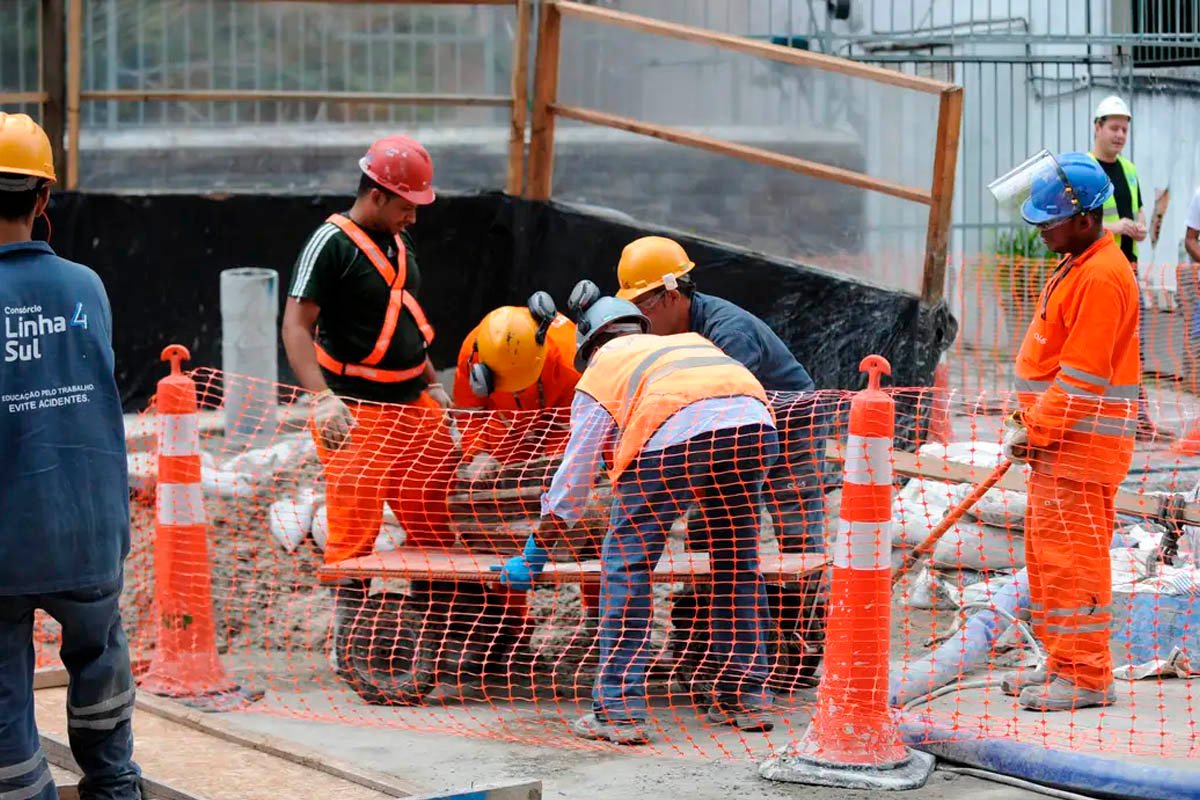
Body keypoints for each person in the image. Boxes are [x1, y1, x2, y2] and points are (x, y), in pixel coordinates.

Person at [492, 280, 780, 744]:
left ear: (592, 344)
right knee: (737, 564)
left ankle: (618, 710)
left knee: (627, 567)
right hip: (753, 428)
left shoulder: (603, 370)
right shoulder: (686, 343)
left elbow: (573, 480)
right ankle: (743, 697)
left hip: (673, 438)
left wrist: (533, 552)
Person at [281, 134, 458, 681]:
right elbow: (295, 325)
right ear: (377, 195)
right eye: (407, 206)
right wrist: (323, 399)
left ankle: (443, 639)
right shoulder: (330, 243)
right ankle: (351, 643)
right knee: (355, 532)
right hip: (356, 408)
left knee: (434, 518)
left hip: (411, 402)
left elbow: (401, 318)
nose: (413, 217)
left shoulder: (398, 244)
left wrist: (432, 382)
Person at [0, 113, 141, 799]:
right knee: (99, 661)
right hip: (90, 531)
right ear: (43, 199)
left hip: (4, 544)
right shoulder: (87, 288)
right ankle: (114, 785)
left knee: (4, 717)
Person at [998, 151, 1138, 711]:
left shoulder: (1103, 276)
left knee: (1074, 560)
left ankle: (1085, 675)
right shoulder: (1079, 264)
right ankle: (1062, 661)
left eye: (1048, 221)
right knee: (1050, 557)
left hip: (1080, 446)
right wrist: (1029, 425)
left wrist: (1035, 429)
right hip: (1061, 445)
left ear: (1084, 218)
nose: (1039, 231)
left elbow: (1082, 378)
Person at [614, 235, 824, 553]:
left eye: (642, 305)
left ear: (671, 295)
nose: (639, 318)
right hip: (735, 423)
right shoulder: (674, 331)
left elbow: (716, 402)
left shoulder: (729, 333)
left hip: (789, 419)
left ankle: (803, 602)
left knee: (794, 517)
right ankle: (701, 600)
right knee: (710, 520)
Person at [1088, 95, 1169, 441]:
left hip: (1127, 267)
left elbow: (1136, 211)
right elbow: (1079, 223)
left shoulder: (1130, 170)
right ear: (1098, 128)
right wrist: (1115, 227)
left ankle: (1133, 411)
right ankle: (1098, 411)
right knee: (1099, 340)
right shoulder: (1087, 169)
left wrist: (1136, 224)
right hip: (1097, 268)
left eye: (1124, 129)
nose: (1120, 135)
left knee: (1130, 341)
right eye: (1114, 128)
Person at [452, 291, 580, 482]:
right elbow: (469, 411)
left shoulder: (569, 357)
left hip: (553, 418)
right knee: (502, 478)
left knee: (559, 471)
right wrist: (477, 451)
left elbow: (568, 423)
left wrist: (556, 464)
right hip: (503, 424)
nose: (516, 390)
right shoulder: (471, 354)